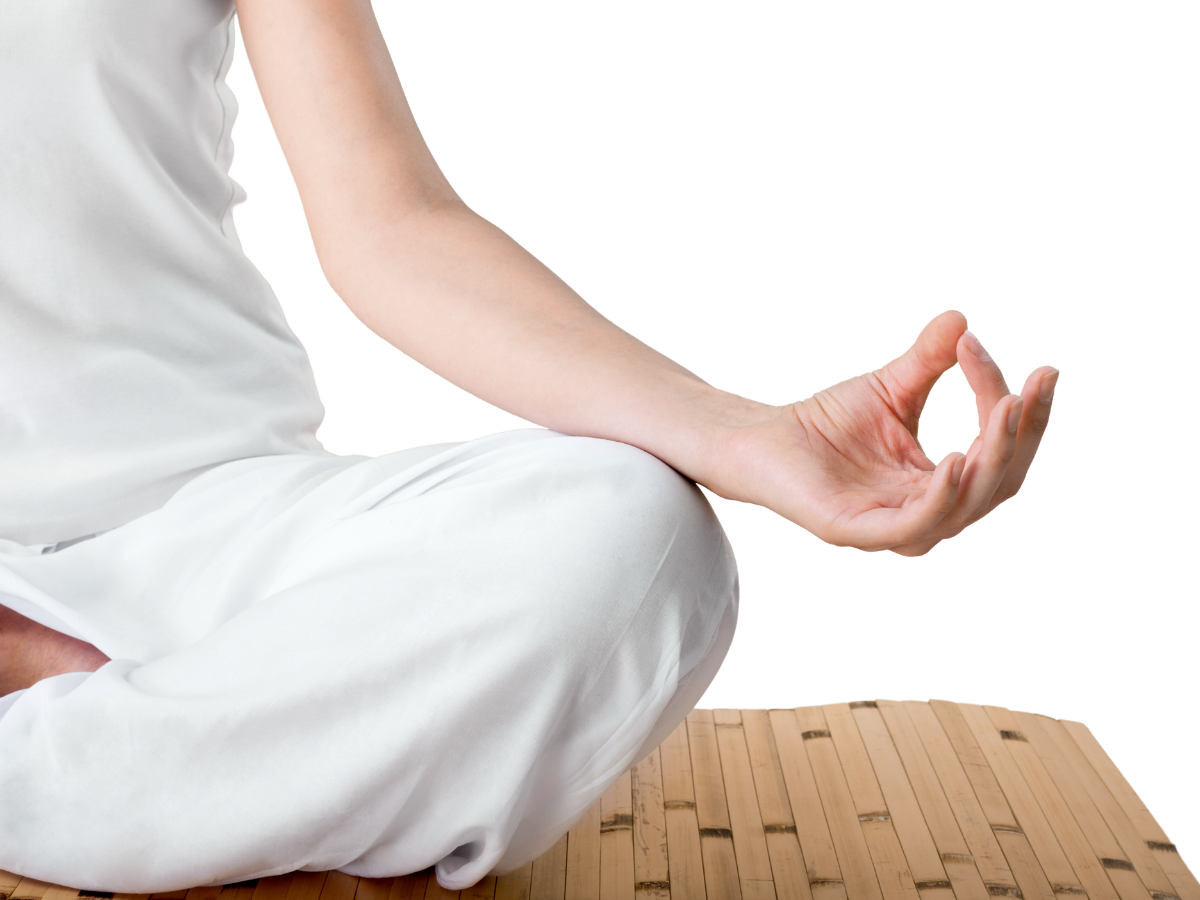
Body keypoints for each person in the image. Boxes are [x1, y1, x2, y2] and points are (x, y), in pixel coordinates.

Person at [0, 0, 1057, 892]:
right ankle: (211, 771)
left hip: (221, 519)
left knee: (637, 534)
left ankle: (104, 769)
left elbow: (391, 224)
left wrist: (747, 437)